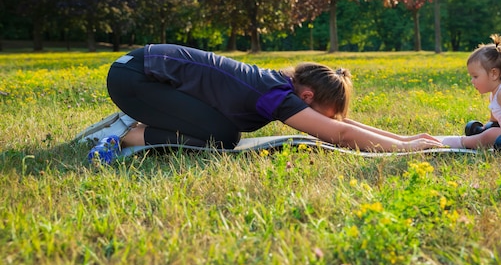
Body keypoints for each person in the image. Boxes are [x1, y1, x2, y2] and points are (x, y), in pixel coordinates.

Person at [78, 44, 442, 163]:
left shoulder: (278, 85)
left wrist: (406, 138)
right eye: (319, 116)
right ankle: (125, 134)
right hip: (135, 77)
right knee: (221, 136)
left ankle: (134, 124)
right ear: (307, 97)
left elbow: (343, 126)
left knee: (223, 132)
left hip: (141, 70)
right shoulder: (277, 96)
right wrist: (405, 150)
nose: (322, 127)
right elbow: (342, 135)